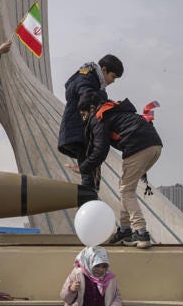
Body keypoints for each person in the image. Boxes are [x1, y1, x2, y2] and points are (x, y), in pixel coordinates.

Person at [68, 93, 162, 249]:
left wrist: (82, 168)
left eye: (83, 114)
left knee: (126, 189)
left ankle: (141, 232)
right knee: (125, 186)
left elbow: (100, 150)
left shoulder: (100, 117)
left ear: (91, 108)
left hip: (138, 147)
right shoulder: (115, 111)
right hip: (155, 147)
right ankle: (125, 229)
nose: (84, 119)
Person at [58, 55, 124, 189]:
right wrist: (102, 98)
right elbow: (86, 95)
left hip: (83, 131)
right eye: (113, 76)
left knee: (92, 170)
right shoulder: (87, 77)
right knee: (88, 173)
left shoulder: (93, 80)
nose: (113, 81)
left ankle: (91, 196)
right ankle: (88, 199)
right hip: (79, 131)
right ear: (104, 70)